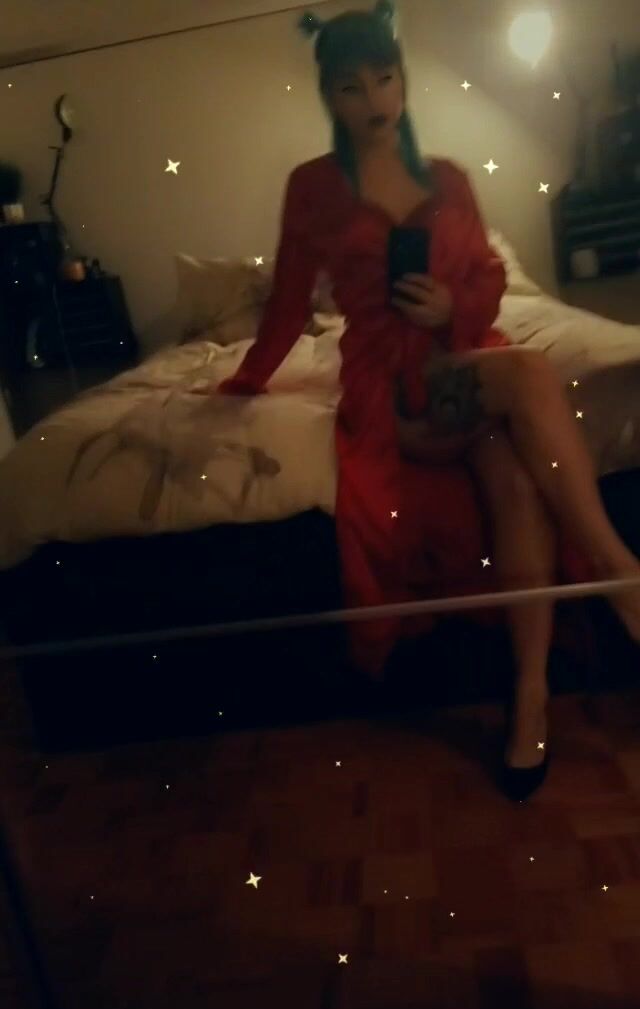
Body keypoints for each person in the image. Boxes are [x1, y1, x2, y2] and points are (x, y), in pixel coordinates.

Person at [198, 0, 640, 799]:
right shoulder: (313, 188)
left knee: (515, 478)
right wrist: (245, 380)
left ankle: (530, 698)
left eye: (384, 78)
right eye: (351, 87)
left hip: (463, 359)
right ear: (330, 98)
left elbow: (489, 280)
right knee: (531, 376)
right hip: (394, 389)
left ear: (402, 81)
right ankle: (621, 574)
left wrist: (450, 309)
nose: (374, 100)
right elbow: (289, 303)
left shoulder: (450, 180)